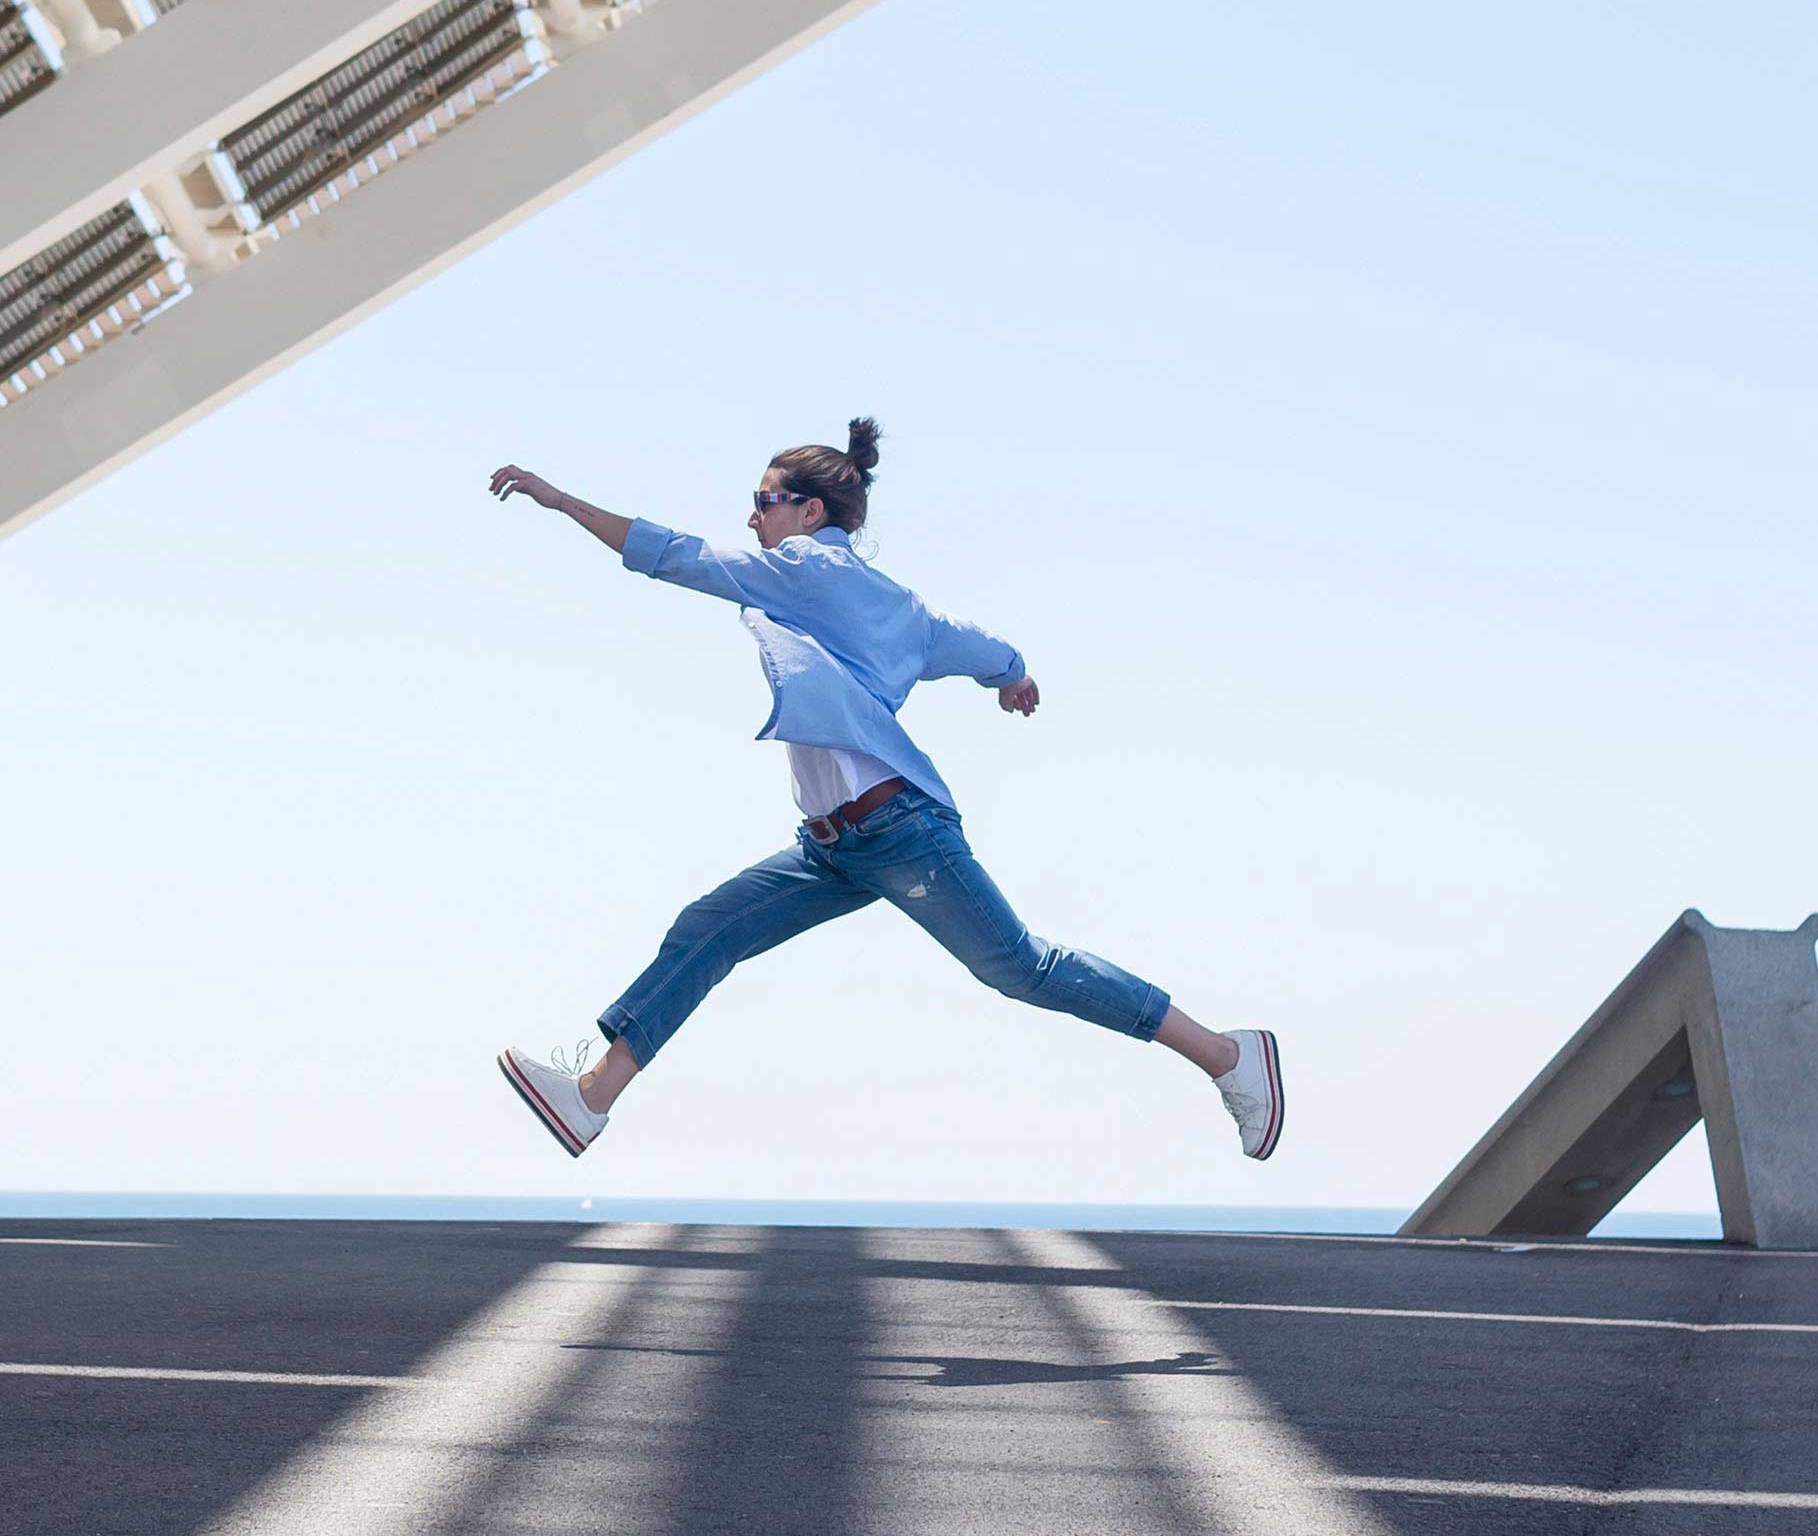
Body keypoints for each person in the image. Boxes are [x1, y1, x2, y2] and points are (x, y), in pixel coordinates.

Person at [484, 417, 1281, 1161]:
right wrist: (1014, 677)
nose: (752, 517)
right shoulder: (894, 602)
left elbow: (677, 556)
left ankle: (1228, 1055)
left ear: (808, 510)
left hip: (899, 833)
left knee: (1022, 968)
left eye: (764, 501)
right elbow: (974, 643)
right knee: (711, 927)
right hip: (834, 849)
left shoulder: (803, 568)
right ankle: (592, 1097)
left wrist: (560, 503)